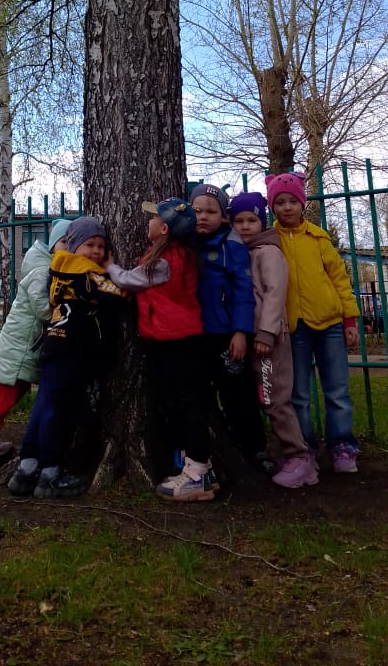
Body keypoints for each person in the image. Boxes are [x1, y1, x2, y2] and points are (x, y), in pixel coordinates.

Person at [106, 198, 217, 502]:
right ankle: (199, 468)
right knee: (182, 402)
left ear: (164, 228)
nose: (148, 221)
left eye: (153, 217)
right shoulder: (175, 255)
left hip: (173, 341)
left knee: (185, 404)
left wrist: (110, 266)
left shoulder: (164, 262)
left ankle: (197, 473)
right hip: (179, 339)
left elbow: (128, 279)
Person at [7, 216, 126, 498]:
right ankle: (51, 473)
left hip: (55, 345)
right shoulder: (86, 273)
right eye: (90, 245)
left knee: (44, 405)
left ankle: (27, 468)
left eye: (101, 246)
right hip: (74, 350)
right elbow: (117, 295)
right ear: (73, 247)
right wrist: (111, 269)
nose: (96, 252)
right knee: (59, 410)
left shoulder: (59, 267)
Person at [266, 172, 361, 474]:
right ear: (272, 207)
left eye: (292, 201)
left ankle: (342, 445)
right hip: (293, 328)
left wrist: (349, 319)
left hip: (329, 322)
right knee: (298, 394)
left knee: (337, 390)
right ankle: (303, 448)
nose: (287, 207)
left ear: (302, 204)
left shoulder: (319, 238)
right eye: (280, 202)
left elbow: (339, 278)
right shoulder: (270, 240)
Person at [229, 191, 318, 489]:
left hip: (269, 339)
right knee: (263, 397)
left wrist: (267, 332)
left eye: (251, 220)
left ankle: (299, 457)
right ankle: (297, 459)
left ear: (262, 222)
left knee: (275, 399)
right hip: (252, 336)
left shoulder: (268, 251)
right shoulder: (245, 251)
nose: (244, 226)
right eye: (238, 221)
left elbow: (275, 293)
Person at [0, 218, 72, 474]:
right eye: (64, 242)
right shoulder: (41, 272)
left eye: (73, 243)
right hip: (18, 347)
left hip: (28, 347)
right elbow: (43, 309)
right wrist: (69, 308)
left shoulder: (53, 270)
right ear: (53, 246)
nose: (69, 248)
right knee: (3, 394)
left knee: (16, 391)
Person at [188, 183, 269, 471]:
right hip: (193, 334)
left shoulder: (231, 245)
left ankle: (254, 448)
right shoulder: (185, 243)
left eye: (211, 212)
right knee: (197, 394)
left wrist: (240, 332)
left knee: (238, 393)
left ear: (224, 216)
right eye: (197, 210)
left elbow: (243, 291)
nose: (203, 216)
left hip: (226, 335)